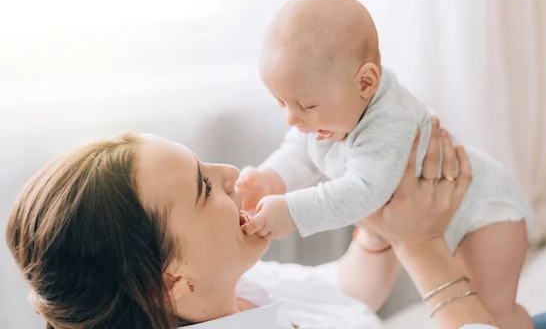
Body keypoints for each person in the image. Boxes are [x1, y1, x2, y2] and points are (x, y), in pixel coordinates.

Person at [6, 118, 504, 328]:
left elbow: (342, 297)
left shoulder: (220, 292)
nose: (231, 173)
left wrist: (379, 229)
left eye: (204, 165)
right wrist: (422, 245)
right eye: (204, 188)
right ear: (171, 281)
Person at [236, 0, 534, 328]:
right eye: (280, 102)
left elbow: (364, 192)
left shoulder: (389, 122)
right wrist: (270, 179)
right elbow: (299, 153)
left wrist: (291, 211)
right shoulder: (330, 114)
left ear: (366, 82)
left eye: (305, 105)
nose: (291, 118)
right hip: (447, 216)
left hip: (489, 218)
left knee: (494, 313)